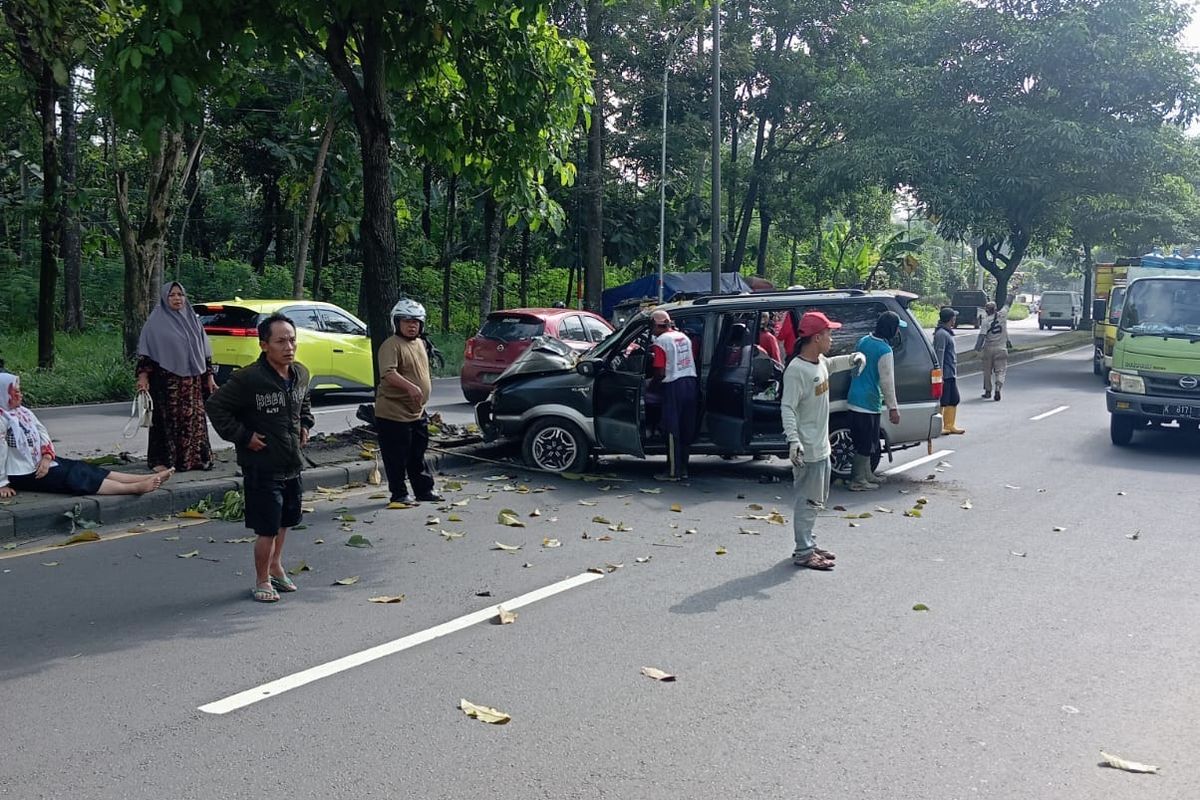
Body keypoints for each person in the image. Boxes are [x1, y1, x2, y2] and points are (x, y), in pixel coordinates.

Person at [206, 314, 314, 604]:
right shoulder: (248, 379)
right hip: (262, 467)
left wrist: (305, 424)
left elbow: (304, 403)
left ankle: (277, 566)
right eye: (280, 341)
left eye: (292, 340)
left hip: (292, 463)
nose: (288, 346)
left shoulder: (301, 373)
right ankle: (262, 579)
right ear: (264, 344)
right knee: (266, 527)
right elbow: (216, 407)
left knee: (285, 521)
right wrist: (244, 436)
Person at [780, 312, 866, 571]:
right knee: (807, 500)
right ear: (817, 337)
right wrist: (793, 441)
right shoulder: (796, 370)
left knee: (816, 499)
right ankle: (803, 551)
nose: (832, 338)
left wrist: (853, 359)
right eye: (829, 333)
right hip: (808, 449)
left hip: (822, 446)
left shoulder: (818, 362)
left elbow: (833, 364)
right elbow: (787, 408)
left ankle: (809, 541)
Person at [0, 372, 170, 498]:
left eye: (19, 390)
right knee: (74, 477)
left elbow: (42, 432)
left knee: (80, 467)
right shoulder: (2, 418)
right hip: (21, 473)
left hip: (39, 463)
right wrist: (2, 483)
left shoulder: (23, 412)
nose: (20, 395)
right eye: (15, 392)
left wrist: (46, 456)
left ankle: (143, 478)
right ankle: (134, 488)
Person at [135, 282, 217, 472]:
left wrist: (209, 377)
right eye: (172, 295)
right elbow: (146, 353)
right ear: (165, 298)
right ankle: (163, 461)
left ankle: (194, 460)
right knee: (166, 422)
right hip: (166, 384)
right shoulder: (155, 322)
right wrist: (143, 378)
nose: (177, 298)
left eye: (180, 294)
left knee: (193, 421)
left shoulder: (193, 320)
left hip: (192, 383)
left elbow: (204, 352)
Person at [375, 299, 442, 505]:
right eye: (406, 321)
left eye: (416, 322)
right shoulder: (391, 345)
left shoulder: (421, 343)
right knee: (397, 457)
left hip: (417, 411)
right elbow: (388, 373)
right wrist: (411, 387)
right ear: (397, 322)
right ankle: (399, 494)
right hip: (393, 413)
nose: (412, 325)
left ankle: (423, 490)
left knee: (418, 454)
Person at [846, 311, 903, 491]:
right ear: (891, 329)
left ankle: (867, 474)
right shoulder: (885, 350)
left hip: (855, 396)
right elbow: (887, 381)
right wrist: (893, 408)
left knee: (868, 440)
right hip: (868, 401)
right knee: (865, 442)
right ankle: (857, 480)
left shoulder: (863, 341)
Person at [649, 309, 698, 481]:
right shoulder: (683, 337)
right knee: (685, 428)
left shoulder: (661, 341)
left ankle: (672, 471)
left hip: (673, 385)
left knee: (671, 429)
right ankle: (683, 468)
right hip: (690, 382)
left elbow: (660, 371)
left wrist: (651, 386)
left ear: (655, 325)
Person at [934, 307, 964, 434]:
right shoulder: (941, 334)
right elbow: (939, 355)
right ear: (950, 319)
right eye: (954, 318)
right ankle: (939, 426)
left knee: (953, 398)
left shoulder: (947, 333)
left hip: (951, 373)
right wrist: (938, 375)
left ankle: (949, 424)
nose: (955, 320)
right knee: (943, 401)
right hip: (944, 374)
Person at [977, 297, 1012, 401]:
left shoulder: (985, 321)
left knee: (987, 371)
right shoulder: (1003, 314)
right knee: (1000, 371)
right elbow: (1008, 303)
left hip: (988, 348)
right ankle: (998, 387)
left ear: (987, 310)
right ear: (996, 309)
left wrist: (977, 349)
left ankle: (988, 391)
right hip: (1001, 348)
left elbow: (982, 336)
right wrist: (1013, 291)